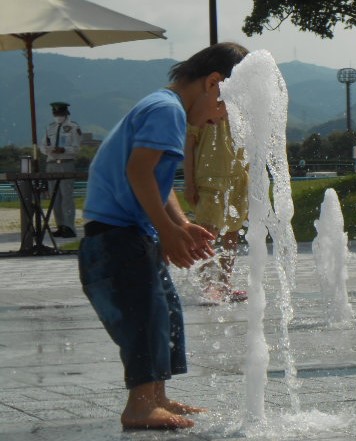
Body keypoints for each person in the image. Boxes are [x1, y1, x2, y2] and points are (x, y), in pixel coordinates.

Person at [78, 42, 248, 430]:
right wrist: (167, 231)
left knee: (164, 312)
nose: (220, 119)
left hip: (128, 234)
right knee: (145, 315)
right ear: (213, 83)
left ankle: (156, 395)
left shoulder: (164, 107)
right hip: (115, 237)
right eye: (226, 107)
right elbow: (138, 172)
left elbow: (158, 181)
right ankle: (139, 405)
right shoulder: (167, 110)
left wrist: (180, 224)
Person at [183, 116, 249, 305]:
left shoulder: (240, 107)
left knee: (232, 233)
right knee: (206, 234)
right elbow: (188, 146)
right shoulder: (203, 108)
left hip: (238, 177)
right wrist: (189, 183)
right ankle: (207, 287)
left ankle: (225, 285)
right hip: (210, 178)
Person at [41, 102, 81, 238]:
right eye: (55, 113)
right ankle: (60, 225)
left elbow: (76, 148)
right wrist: (47, 150)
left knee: (66, 196)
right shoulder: (50, 127)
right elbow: (43, 145)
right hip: (51, 163)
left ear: (65, 113)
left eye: (60, 113)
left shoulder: (73, 127)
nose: (58, 116)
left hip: (66, 163)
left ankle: (69, 227)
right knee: (55, 197)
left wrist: (64, 150)